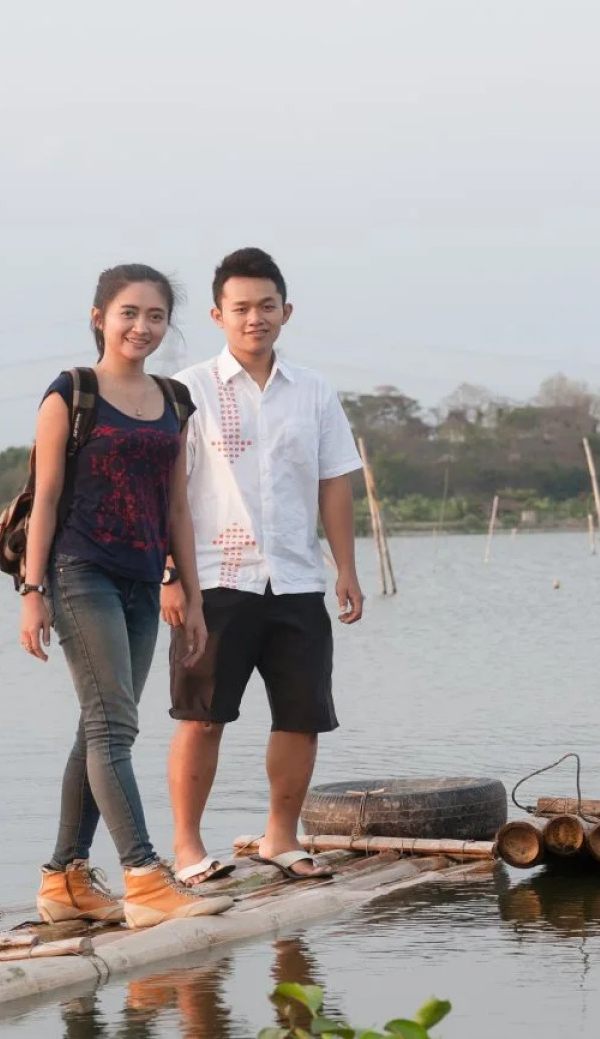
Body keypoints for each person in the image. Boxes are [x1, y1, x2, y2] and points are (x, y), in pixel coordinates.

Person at [19, 264, 233, 928]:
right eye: (129, 313)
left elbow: (177, 509)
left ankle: (64, 880)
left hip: (145, 577)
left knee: (99, 726)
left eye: (156, 316)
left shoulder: (173, 401)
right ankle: (144, 876)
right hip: (80, 571)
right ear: (99, 317)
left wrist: (190, 594)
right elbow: (46, 495)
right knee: (114, 726)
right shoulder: (71, 393)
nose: (142, 327)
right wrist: (32, 591)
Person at [162, 247, 364, 885]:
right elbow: (165, 490)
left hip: (297, 578)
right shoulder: (187, 389)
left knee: (303, 715)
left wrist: (346, 569)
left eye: (267, 306)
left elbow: (334, 482)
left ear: (287, 311)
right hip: (215, 579)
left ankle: (282, 837)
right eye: (241, 307)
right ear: (219, 315)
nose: (256, 318)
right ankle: (188, 849)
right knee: (203, 715)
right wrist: (171, 576)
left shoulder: (314, 390)